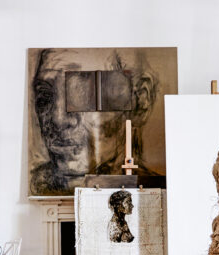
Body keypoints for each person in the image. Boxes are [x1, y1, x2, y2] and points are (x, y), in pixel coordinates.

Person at [29, 49, 161, 196]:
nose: (58, 120)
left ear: (140, 102)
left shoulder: (154, 190)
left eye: (82, 93)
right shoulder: (36, 184)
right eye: (45, 97)